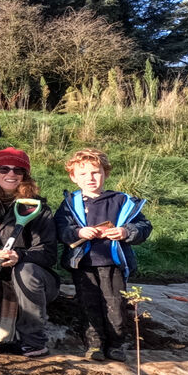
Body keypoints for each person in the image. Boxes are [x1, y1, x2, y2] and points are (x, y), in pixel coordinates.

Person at [55, 148, 153, 362]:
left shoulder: (121, 201)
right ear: (73, 177)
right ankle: (94, 345)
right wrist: (78, 232)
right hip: (84, 264)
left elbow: (144, 226)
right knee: (88, 304)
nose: (90, 178)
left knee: (115, 304)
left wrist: (126, 232)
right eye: (83, 174)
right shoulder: (70, 204)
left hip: (113, 263)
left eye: (95, 172)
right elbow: (60, 229)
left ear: (105, 173)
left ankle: (116, 345)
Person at [0, 148, 59, 358]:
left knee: (25, 271)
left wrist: (19, 256)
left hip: (34, 278)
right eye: (4, 168)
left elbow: (48, 254)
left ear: (25, 176)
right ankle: (16, 310)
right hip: (1, 278)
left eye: (18, 170)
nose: (11, 174)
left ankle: (34, 340)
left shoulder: (37, 208)